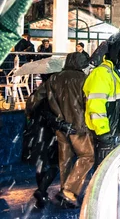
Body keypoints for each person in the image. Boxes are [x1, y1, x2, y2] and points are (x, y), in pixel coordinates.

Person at [46, 52, 94, 208]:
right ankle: (69, 191)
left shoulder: (54, 78)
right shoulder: (83, 79)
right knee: (87, 156)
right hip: (78, 126)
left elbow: (46, 100)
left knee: (65, 159)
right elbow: (87, 103)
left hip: (60, 126)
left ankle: (65, 191)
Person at [22, 81, 64, 209]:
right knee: (54, 165)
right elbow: (50, 116)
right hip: (47, 134)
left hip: (34, 133)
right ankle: (41, 190)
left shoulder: (36, 93)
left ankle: (42, 194)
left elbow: (28, 111)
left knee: (40, 165)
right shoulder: (51, 95)